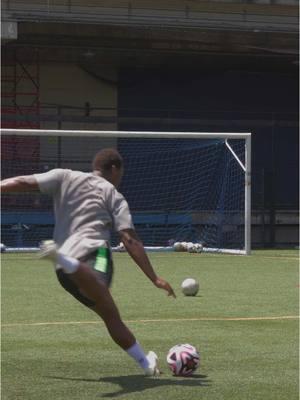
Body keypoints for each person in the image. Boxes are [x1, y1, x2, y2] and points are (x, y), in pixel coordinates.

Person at [1, 148, 176, 376]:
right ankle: (67, 260)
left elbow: (23, 182)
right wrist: (154, 278)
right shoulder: (113, 194)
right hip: (96, 254)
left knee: (109, 312)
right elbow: (129, 239)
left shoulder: (64, 176)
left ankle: (147, 364)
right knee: (104, 295)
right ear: (114, 169)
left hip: (63, 272)